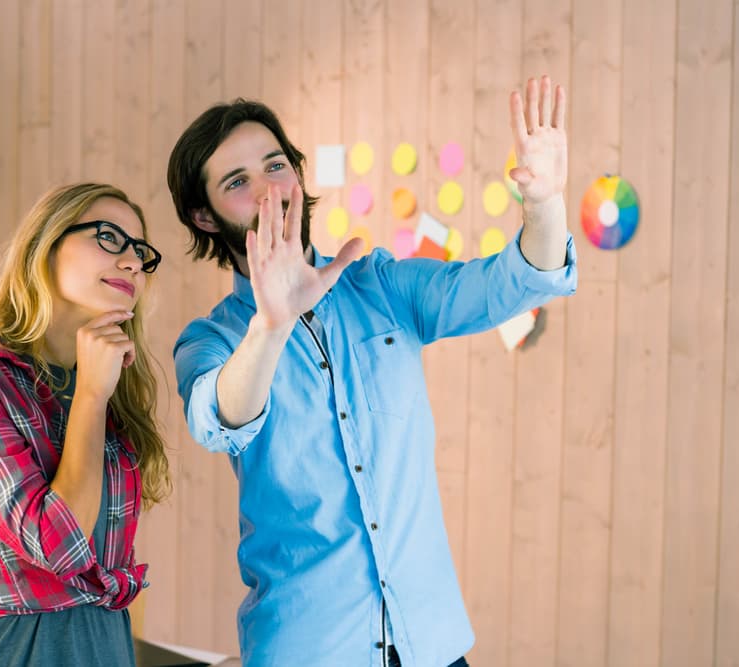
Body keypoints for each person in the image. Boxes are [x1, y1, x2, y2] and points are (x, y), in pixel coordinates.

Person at [168, 75, 577, 667]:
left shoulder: (381, 285)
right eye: (237, 182)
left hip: (432, 647)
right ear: (205, 218)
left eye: (275, 165)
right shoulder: (212, 340)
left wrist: (544, 206)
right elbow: (217, 420)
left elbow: (513, 282)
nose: (267, 190)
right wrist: (272, 324)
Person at [0, 183, 171, 666]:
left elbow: (105, 563)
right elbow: (58, 546)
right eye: (108, 237)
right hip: (16, 648)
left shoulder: (110, 385)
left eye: (139, 251)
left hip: (107, 644)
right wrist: (92, 396)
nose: (133, 262)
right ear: (44, 247)